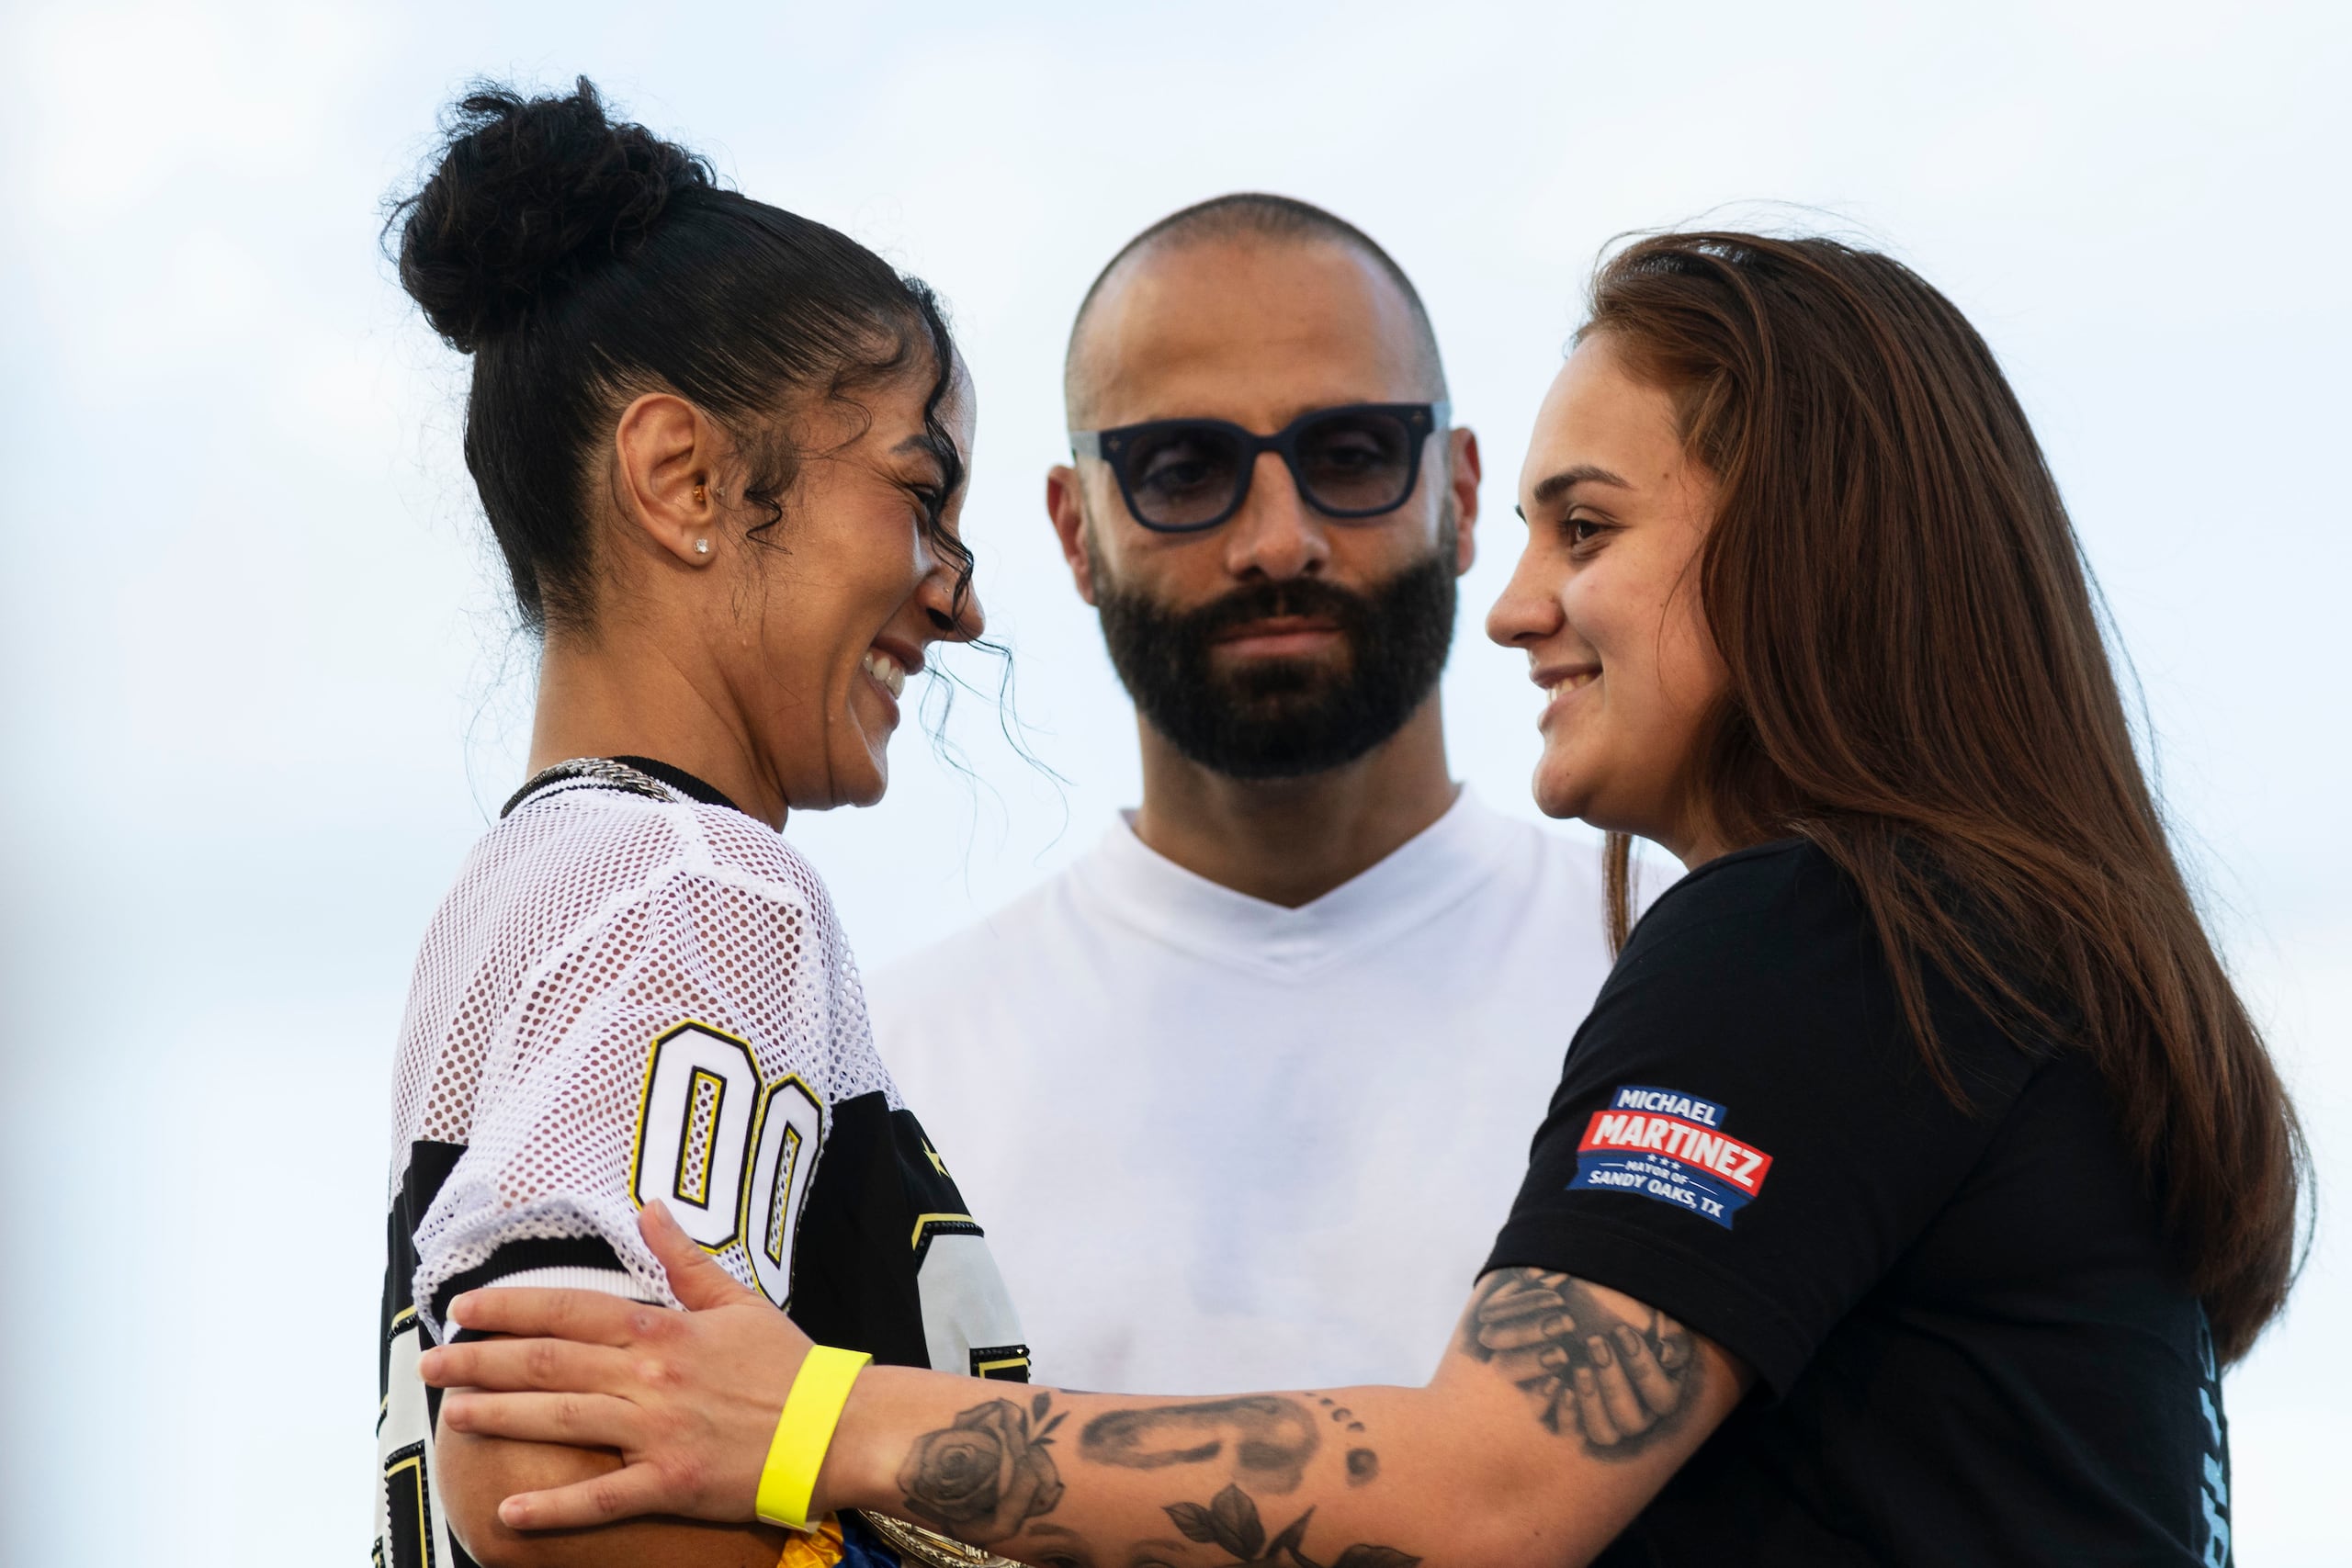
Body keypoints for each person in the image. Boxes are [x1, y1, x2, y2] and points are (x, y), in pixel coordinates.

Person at [418, 231, 2308, 1566]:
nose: (1518, 607)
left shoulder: (1808, 935)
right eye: (1176, 467)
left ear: (1803, 546)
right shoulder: (1975, 941)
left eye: (1590, 528)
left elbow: (1483, 1492)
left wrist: (811, 1417)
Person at [377, 81, 1033, 1568]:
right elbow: (548, 1452)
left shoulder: (534, 887)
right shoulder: (703, 881)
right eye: (922, 495)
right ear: (686, 478)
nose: (960, 590)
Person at [870, 195, 1611, 1393]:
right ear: (1075, 533)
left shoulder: (1681, 976)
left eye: (1353, 453)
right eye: (1182, 470)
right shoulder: (892, 1081)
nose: (1278, 540)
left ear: (1464, 495)